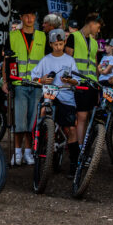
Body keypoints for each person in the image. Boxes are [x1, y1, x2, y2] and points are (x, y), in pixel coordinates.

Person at [31, 29, 83, 165]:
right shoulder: (45, 60)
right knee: (43, 112)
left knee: (71, 128)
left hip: (66, 98)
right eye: (55, 44)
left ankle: (74, 162)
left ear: (65, 43)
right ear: (50, 44)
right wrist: (42, 80)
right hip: (49, 96)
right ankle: (40, 144)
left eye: (61, 44)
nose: (58, 47)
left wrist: (69, 80)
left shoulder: (70, 60)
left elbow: (77, 81)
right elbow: (34, 78)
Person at [9, 7, 46, 166]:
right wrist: (6, 82)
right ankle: (17, 152)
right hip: (19, 83)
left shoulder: (42, 36)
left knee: (32, 121)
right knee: (19, 120)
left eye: (32, 15)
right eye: (26, 15)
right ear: (21, 17)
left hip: (37, 84)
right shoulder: (13, 36)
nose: (29, 19)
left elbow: (47, 59)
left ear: (35, 17)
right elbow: (6, 60)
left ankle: (28, 152)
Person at [69, 13, 103, 149]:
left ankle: (83, 146)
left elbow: (95, 64)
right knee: (82, 116)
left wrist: (98, 84)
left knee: (88, 116)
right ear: (91, 23)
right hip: (79, 82)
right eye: (98, 27)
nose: (98, 30)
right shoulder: (74, 37)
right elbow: (67, 58)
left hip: (92, 84)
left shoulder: (94, 42)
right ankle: (80, 147)